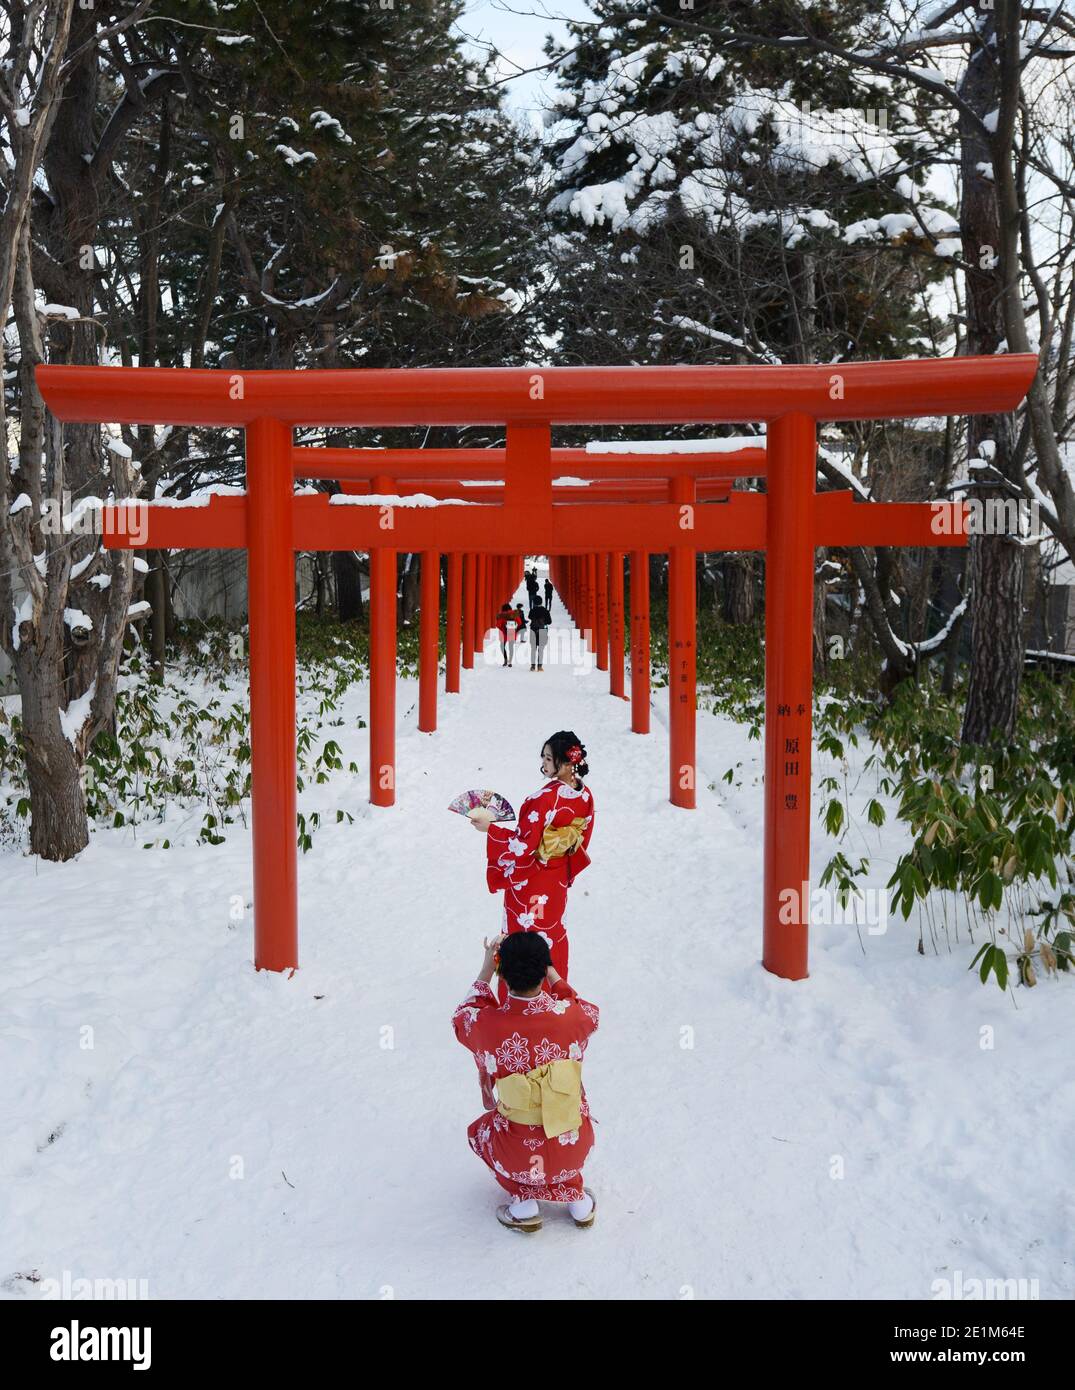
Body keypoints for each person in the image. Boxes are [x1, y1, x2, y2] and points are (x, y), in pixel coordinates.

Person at [452, 930, 599, 1232]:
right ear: (544, 971)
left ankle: (524, 1203)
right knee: (559, 1136)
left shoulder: (487, 1024)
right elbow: (585, 1010)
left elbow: (461, 1017)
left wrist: (486, 970)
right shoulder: (572, 1016)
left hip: (519, 1154)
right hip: (574, 1145)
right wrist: (552, 971)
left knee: (481, 1131)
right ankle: (578, 1202)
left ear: (502, 975)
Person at [469, 732, 594, 990]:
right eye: (544, 758)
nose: (544, 764)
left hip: (532, 878)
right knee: (551, 934)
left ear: (568, 762)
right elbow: (582, 838)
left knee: (522, 934)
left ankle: (517, 996)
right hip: (556, 879)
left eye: (549, 758)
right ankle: (554, 990)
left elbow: (522, 845)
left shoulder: (544, 799)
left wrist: (490, 829)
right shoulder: (585, 795)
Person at [495, 602, 521, 667]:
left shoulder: (502, 615)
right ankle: (510, 662)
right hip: (512, 632)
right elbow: (520, 623)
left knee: (502, 646)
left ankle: (505, 660)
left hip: (504, 633)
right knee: (511, 647)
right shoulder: (514, 614)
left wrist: (502, 628)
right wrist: (515, 627)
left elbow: (498, 625)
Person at [527, 599, 551, 670]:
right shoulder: (545, 610)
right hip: (542, 629)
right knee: (541, 649)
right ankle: (540, 666)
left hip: (533, 629)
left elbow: (529, 617)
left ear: (534, 602)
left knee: (533, 649)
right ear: (541, 602)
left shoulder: (532, 610)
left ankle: (532, 666)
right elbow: (549, 621)